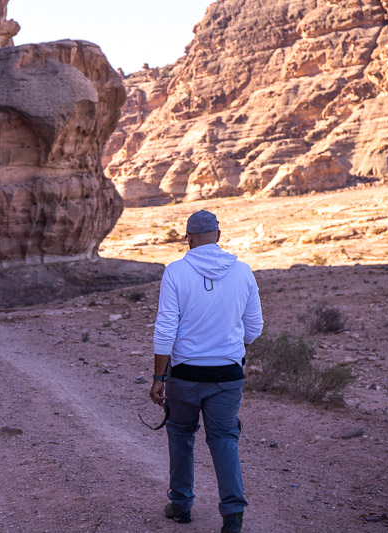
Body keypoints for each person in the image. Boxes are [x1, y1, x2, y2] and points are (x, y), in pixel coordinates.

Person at [149, 210, 263, 533]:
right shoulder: (243, 272)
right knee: (224, 440)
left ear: (188, 238)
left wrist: (159, 378)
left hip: (184, 376)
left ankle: (181, 506)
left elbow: (165, 329)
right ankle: (233, 517)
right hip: (227, 377)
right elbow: (254, 327)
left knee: (181, 437)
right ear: (219, 235)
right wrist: (228, 346)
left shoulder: (175, 272)